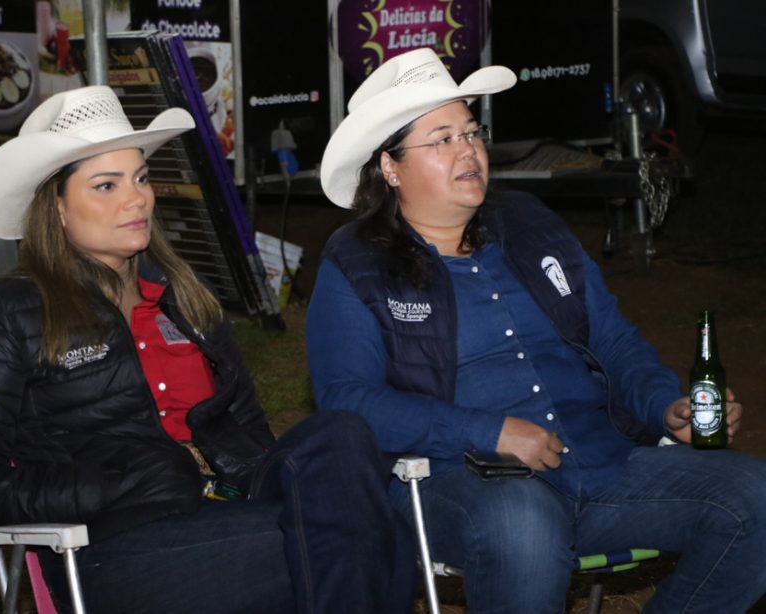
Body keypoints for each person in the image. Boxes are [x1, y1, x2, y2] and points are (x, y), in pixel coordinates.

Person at [307, 48, 766, 612]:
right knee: (522, 524)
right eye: (442, 138)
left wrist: (664, 406)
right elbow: (346, 400)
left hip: (599, 463)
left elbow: (613, 340)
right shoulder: (358, 261)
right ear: (391, 167)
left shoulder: (529, 225)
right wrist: (486, 430)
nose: (468, 149)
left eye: (471, 132)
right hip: (458, 480)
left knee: (754, 498)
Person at [0, 85, 416, 614]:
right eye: (106, 185)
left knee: (341, 437)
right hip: (115, 544)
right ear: (57, 208)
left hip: (230, 507)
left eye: (140, 178)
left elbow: (250, 434)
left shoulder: (185, 299)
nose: (136, 198)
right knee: (365, 537)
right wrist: (117, 483)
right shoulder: (9, 311)